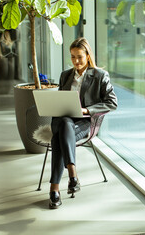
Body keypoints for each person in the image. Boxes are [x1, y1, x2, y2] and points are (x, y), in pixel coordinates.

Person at [49, 37, 118, 209]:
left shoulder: (100, 76)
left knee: (58, 137)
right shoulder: (65, 75)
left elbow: (112, 102)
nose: (76, 61)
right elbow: (60, 99)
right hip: (62, 119)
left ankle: (54, 189)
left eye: (79, 56)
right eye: (72, 57)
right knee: (64, 122)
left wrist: (87, 110)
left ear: (88, 55)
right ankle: (72, 174)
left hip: (84, 123)